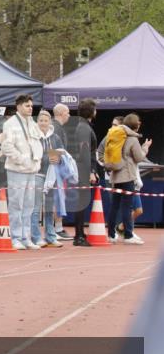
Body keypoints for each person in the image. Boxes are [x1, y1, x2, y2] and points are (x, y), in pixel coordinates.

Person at [0, 94, 43, 250]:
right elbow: (6, 146)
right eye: (27, 105)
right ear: (18, 107)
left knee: (29, 205)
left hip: (32, 170)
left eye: (31, 105)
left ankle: (26, 236)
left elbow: (37, 142)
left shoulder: (32, 123)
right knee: (16, 204)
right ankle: (15, 237)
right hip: (17, 170)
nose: (30, 108)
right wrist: (21, 159)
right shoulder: (11, 124)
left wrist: (37, 159)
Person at [106, 113, 151, 245]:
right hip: (127, 176)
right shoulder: (132, 139)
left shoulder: (115, 135)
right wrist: (145, 148)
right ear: (135, 126)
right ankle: (128, 235)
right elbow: (139, 158)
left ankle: (111, 235)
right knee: (127, 206)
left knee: (114, 206)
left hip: (115, 175)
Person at [32, 109, 64, 247]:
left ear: (50, 122)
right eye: (41, 120)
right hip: (37, 174)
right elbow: (33, 155)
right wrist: (48, 157)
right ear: (37, 122)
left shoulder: (55, 137)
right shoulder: (33, 137)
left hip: (52, 176)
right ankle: (36, 237)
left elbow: (62, 152)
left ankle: (50, 236)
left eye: (46, 120)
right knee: (36, 207)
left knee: (50, 207)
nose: (43, 123)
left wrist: (57, 157)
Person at [71, 98, 99, 247]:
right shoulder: (83, 127)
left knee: (82, 202)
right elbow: (84, 152)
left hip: (84, 168)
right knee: (81, 203)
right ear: (91, 111)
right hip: (83, 169)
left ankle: (80, 233)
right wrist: (90, 172)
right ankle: (78, 236)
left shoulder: (85, 126)